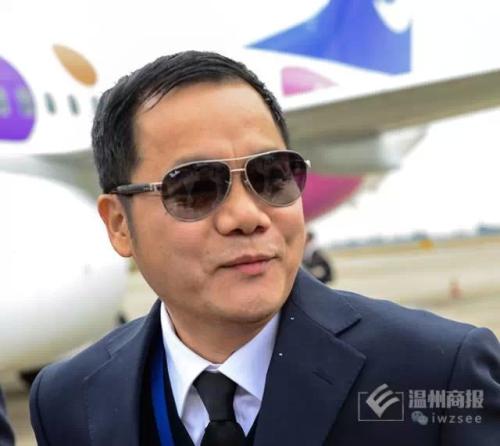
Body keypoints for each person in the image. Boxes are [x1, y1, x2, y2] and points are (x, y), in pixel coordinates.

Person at [30, 51, 500, 445]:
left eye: (271, 175)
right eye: (194, 187)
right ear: (119, 224)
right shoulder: (65, 401)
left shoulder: (440, 372)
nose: (247, 215)